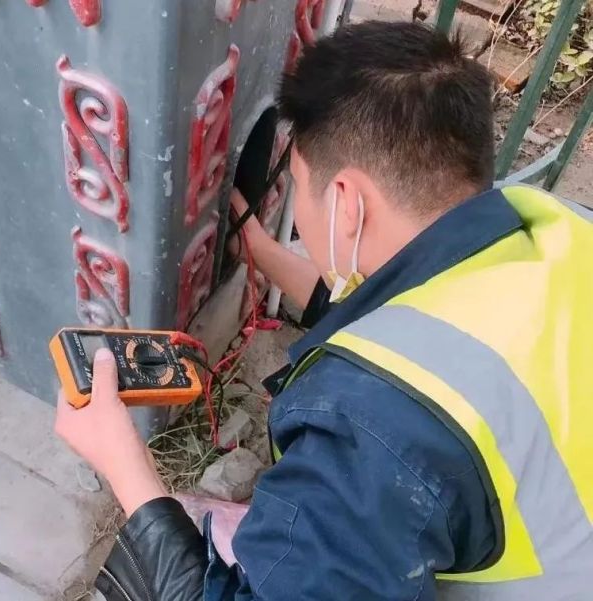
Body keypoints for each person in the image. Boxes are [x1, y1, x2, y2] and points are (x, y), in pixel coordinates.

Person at [55, 20, 593, 601]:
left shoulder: (371, 430)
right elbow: (416, 316)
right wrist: (262, 251)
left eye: (298, 182)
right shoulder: (554, 232)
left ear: (346, 202)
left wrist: (125, 466)